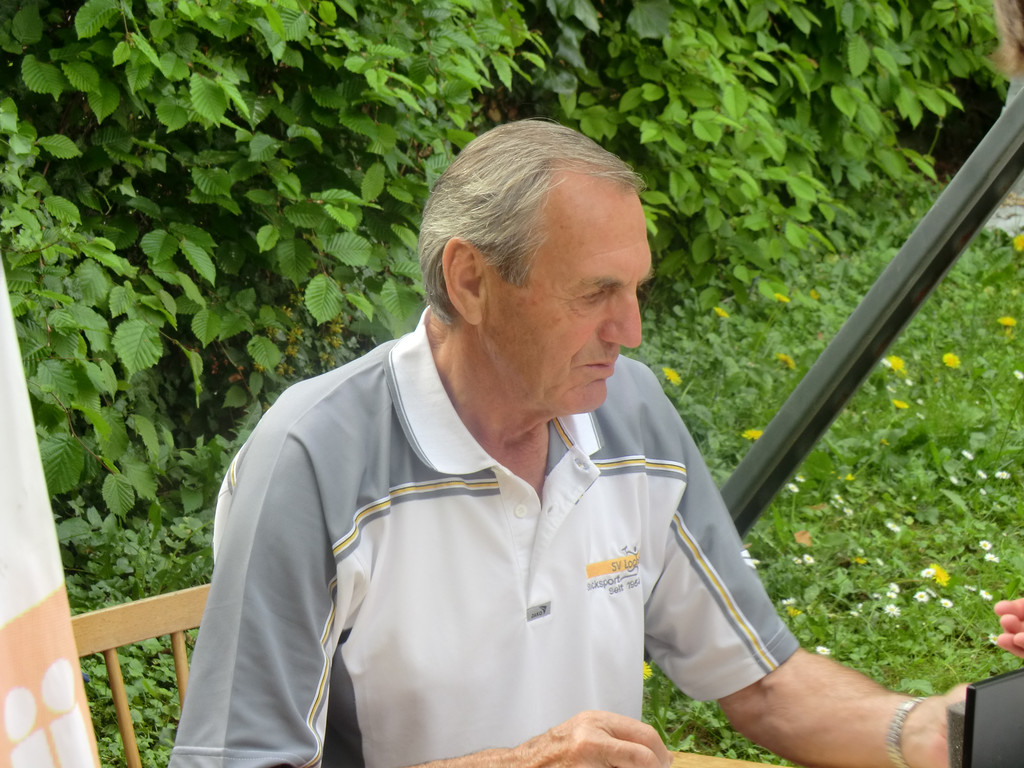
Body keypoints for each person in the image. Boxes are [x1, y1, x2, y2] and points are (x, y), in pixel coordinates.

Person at [170, 120, 963, 768]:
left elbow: (761, 684)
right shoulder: (312, 457)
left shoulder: (630, 413)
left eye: (636, 289)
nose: (631, 331)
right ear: (470, 280)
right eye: (596, 293)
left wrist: (918, 730)